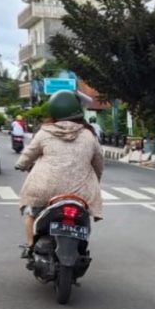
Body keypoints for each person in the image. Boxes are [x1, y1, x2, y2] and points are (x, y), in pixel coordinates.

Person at [15, 90, 104, 259]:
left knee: (31, 212)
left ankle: (30, 245)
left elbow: (28, 155)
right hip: (80, 193)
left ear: (53, 112)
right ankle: (80, 247)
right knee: (83, 217)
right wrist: (96, 180)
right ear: (78, 111)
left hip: (45, 190)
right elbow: (99, 162)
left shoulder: (45, 132)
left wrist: (21, 165)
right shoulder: (88, 134)